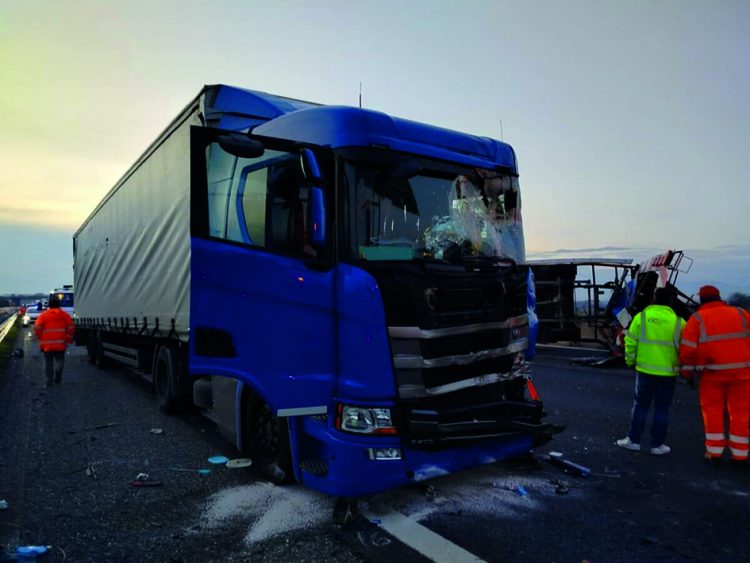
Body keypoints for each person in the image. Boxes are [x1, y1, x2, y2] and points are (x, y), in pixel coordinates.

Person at [679, 285, 750, 465]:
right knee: (740, 413)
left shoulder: (697, 319)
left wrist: (687, 374)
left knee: (712, 412)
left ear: (701, 301)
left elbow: (688, 352)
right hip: (742, 374)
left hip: (712, 375)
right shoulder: (742, 314)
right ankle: (740, 455)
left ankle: (714, 452)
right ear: (719, 297)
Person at [616, 287, 686, 455]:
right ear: (671, 301)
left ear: (653, 299)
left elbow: (631, 343)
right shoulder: (680, 322)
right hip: (669, 373)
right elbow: (685, 349)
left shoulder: (642, 318)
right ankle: (657, 445)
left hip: (645, 371)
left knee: (640, 406)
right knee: (662, 409)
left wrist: (630, 362)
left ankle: (633, 440)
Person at [33, 297, 75, 387]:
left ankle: (49, 381)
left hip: (47, 344)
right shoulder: (65, 315)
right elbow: (71, 328)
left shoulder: (43, 315)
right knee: (60, 360)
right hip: (61, 343)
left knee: (48, 362)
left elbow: (36, 327)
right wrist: (68, 338)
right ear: (59, 305)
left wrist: (40, 336)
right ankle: (58, 372)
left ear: (49, 306)